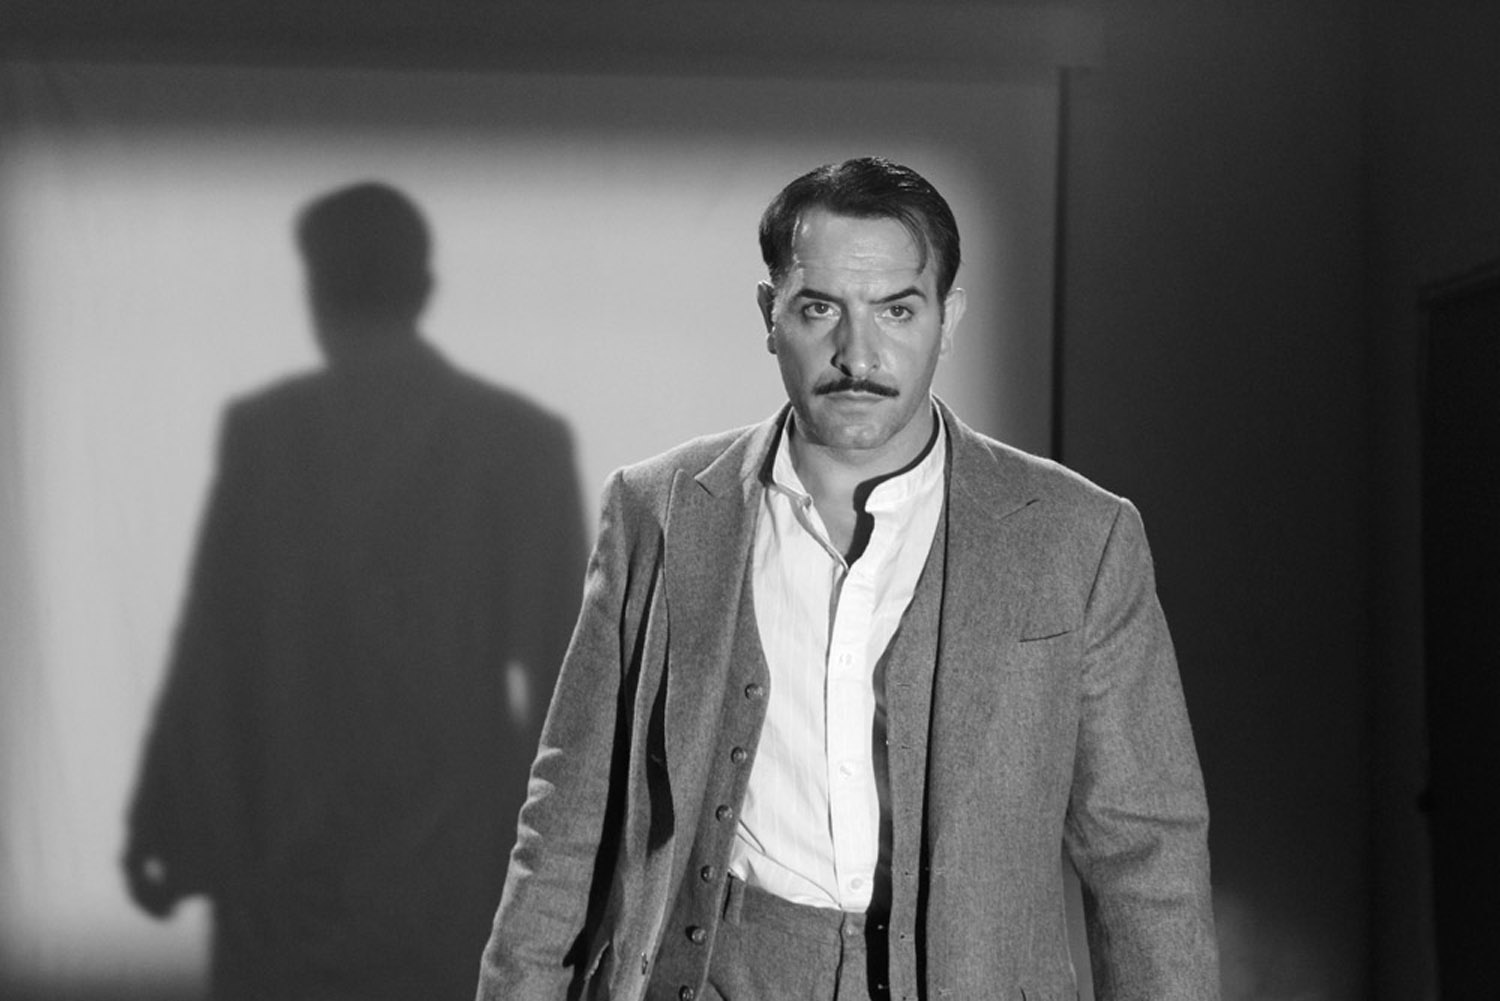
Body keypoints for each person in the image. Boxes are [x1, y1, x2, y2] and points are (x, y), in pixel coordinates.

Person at [476, 157, 1218, 1001]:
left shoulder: (1077, 535)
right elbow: (567, 823)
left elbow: (1144, 852)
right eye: (820, 308)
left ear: (948, 317)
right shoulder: (661, 510)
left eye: (896, 309)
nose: (857, 354)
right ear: (770, 314)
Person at [123, 181, 587, 1001]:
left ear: (316, 289)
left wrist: (166, 819)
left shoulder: (267, 437)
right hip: (453, 870)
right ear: (423, 288)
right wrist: (565, 866)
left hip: (281, 862)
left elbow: (215, 647)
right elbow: (565, 674)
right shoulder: (520, 442)